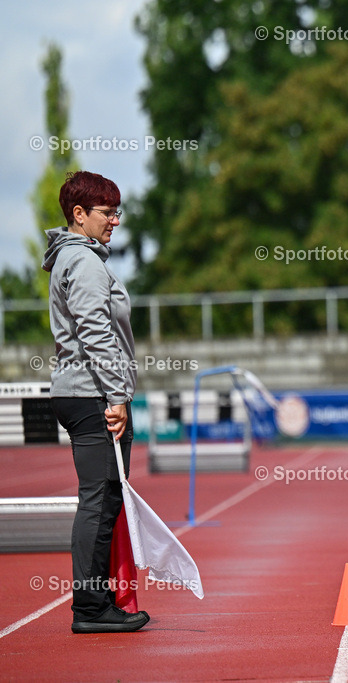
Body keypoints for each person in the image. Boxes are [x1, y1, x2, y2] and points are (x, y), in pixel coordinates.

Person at [43, 171, 149, 633]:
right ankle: (89, 609)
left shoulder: (76, 258)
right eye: (108, 213)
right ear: (79, 215)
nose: (115, 221)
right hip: (91, 394)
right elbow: (95, 332)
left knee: (103, 499)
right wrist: (117, 396)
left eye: (117, 211)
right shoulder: (83, 263)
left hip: (83, 391)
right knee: (99, 500)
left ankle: (97, 603)